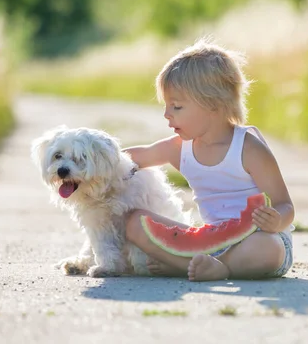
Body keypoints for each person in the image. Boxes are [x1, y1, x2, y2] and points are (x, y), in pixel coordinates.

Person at [123, 38, 295, 281]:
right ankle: (200, 264)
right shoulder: (179, 149)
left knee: (268, 251)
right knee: (134, 223)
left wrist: (276, 221)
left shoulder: (248, 148)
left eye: (177, 107)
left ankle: (207, 267)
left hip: (259, 237)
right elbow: (136, 157)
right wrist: (96, 157)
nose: (166, 115)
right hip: (207, 240)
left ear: (212, 103)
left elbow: (285, 204)